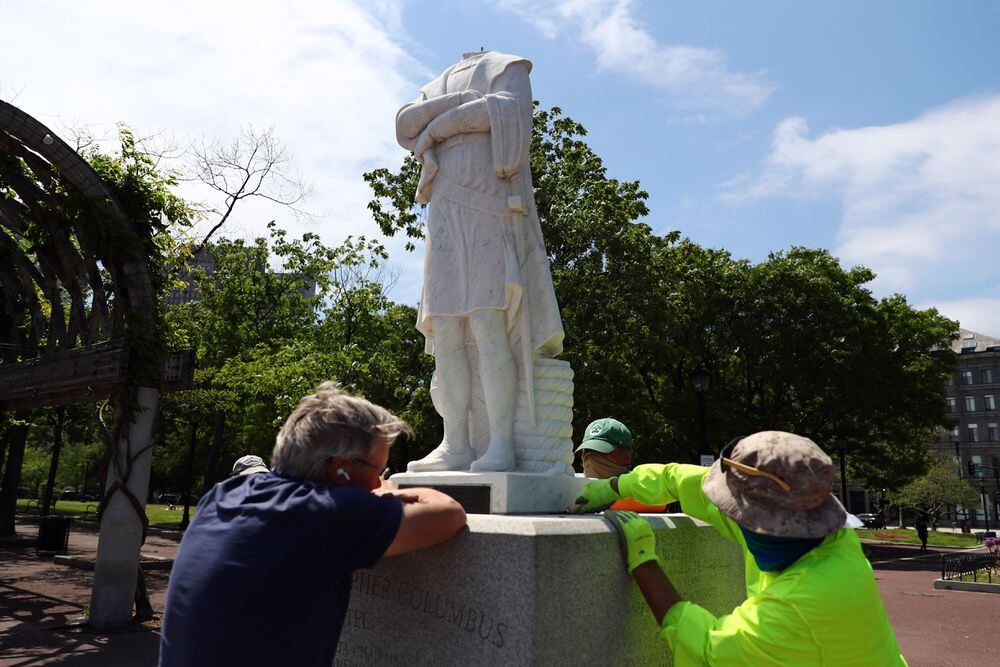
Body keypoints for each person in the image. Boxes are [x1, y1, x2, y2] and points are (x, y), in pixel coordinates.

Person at [159, 383, 467, 667]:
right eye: (378, 469)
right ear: (341, 471)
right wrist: (388, 492)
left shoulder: (221, 496)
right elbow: (448, 513)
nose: (379, 480)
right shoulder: (324, 513)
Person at [573, 431, 907, 666]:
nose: (725, 511)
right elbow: (679, 479)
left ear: (760, 522)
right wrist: (616, 486)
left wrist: (644, 562)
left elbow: (706, 647)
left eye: (734, 508)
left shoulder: (795, 607)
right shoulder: (826, 533)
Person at [396, 50, 565, 473]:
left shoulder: (507, 66)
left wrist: (437, 127)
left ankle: (502, 444)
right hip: (445, 215)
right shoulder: (437, 83)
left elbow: (510, 112)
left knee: (488, 322)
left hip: (488, 205)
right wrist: (453, 108)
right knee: (447, 326)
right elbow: (404, 127)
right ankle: (457, 443)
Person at [576, 418, 665, 512]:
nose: (590, 457)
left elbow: (659, 503)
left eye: (600, 451)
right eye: (587, 451)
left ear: (626, 457)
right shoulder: (572, 484)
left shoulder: (643, 487)